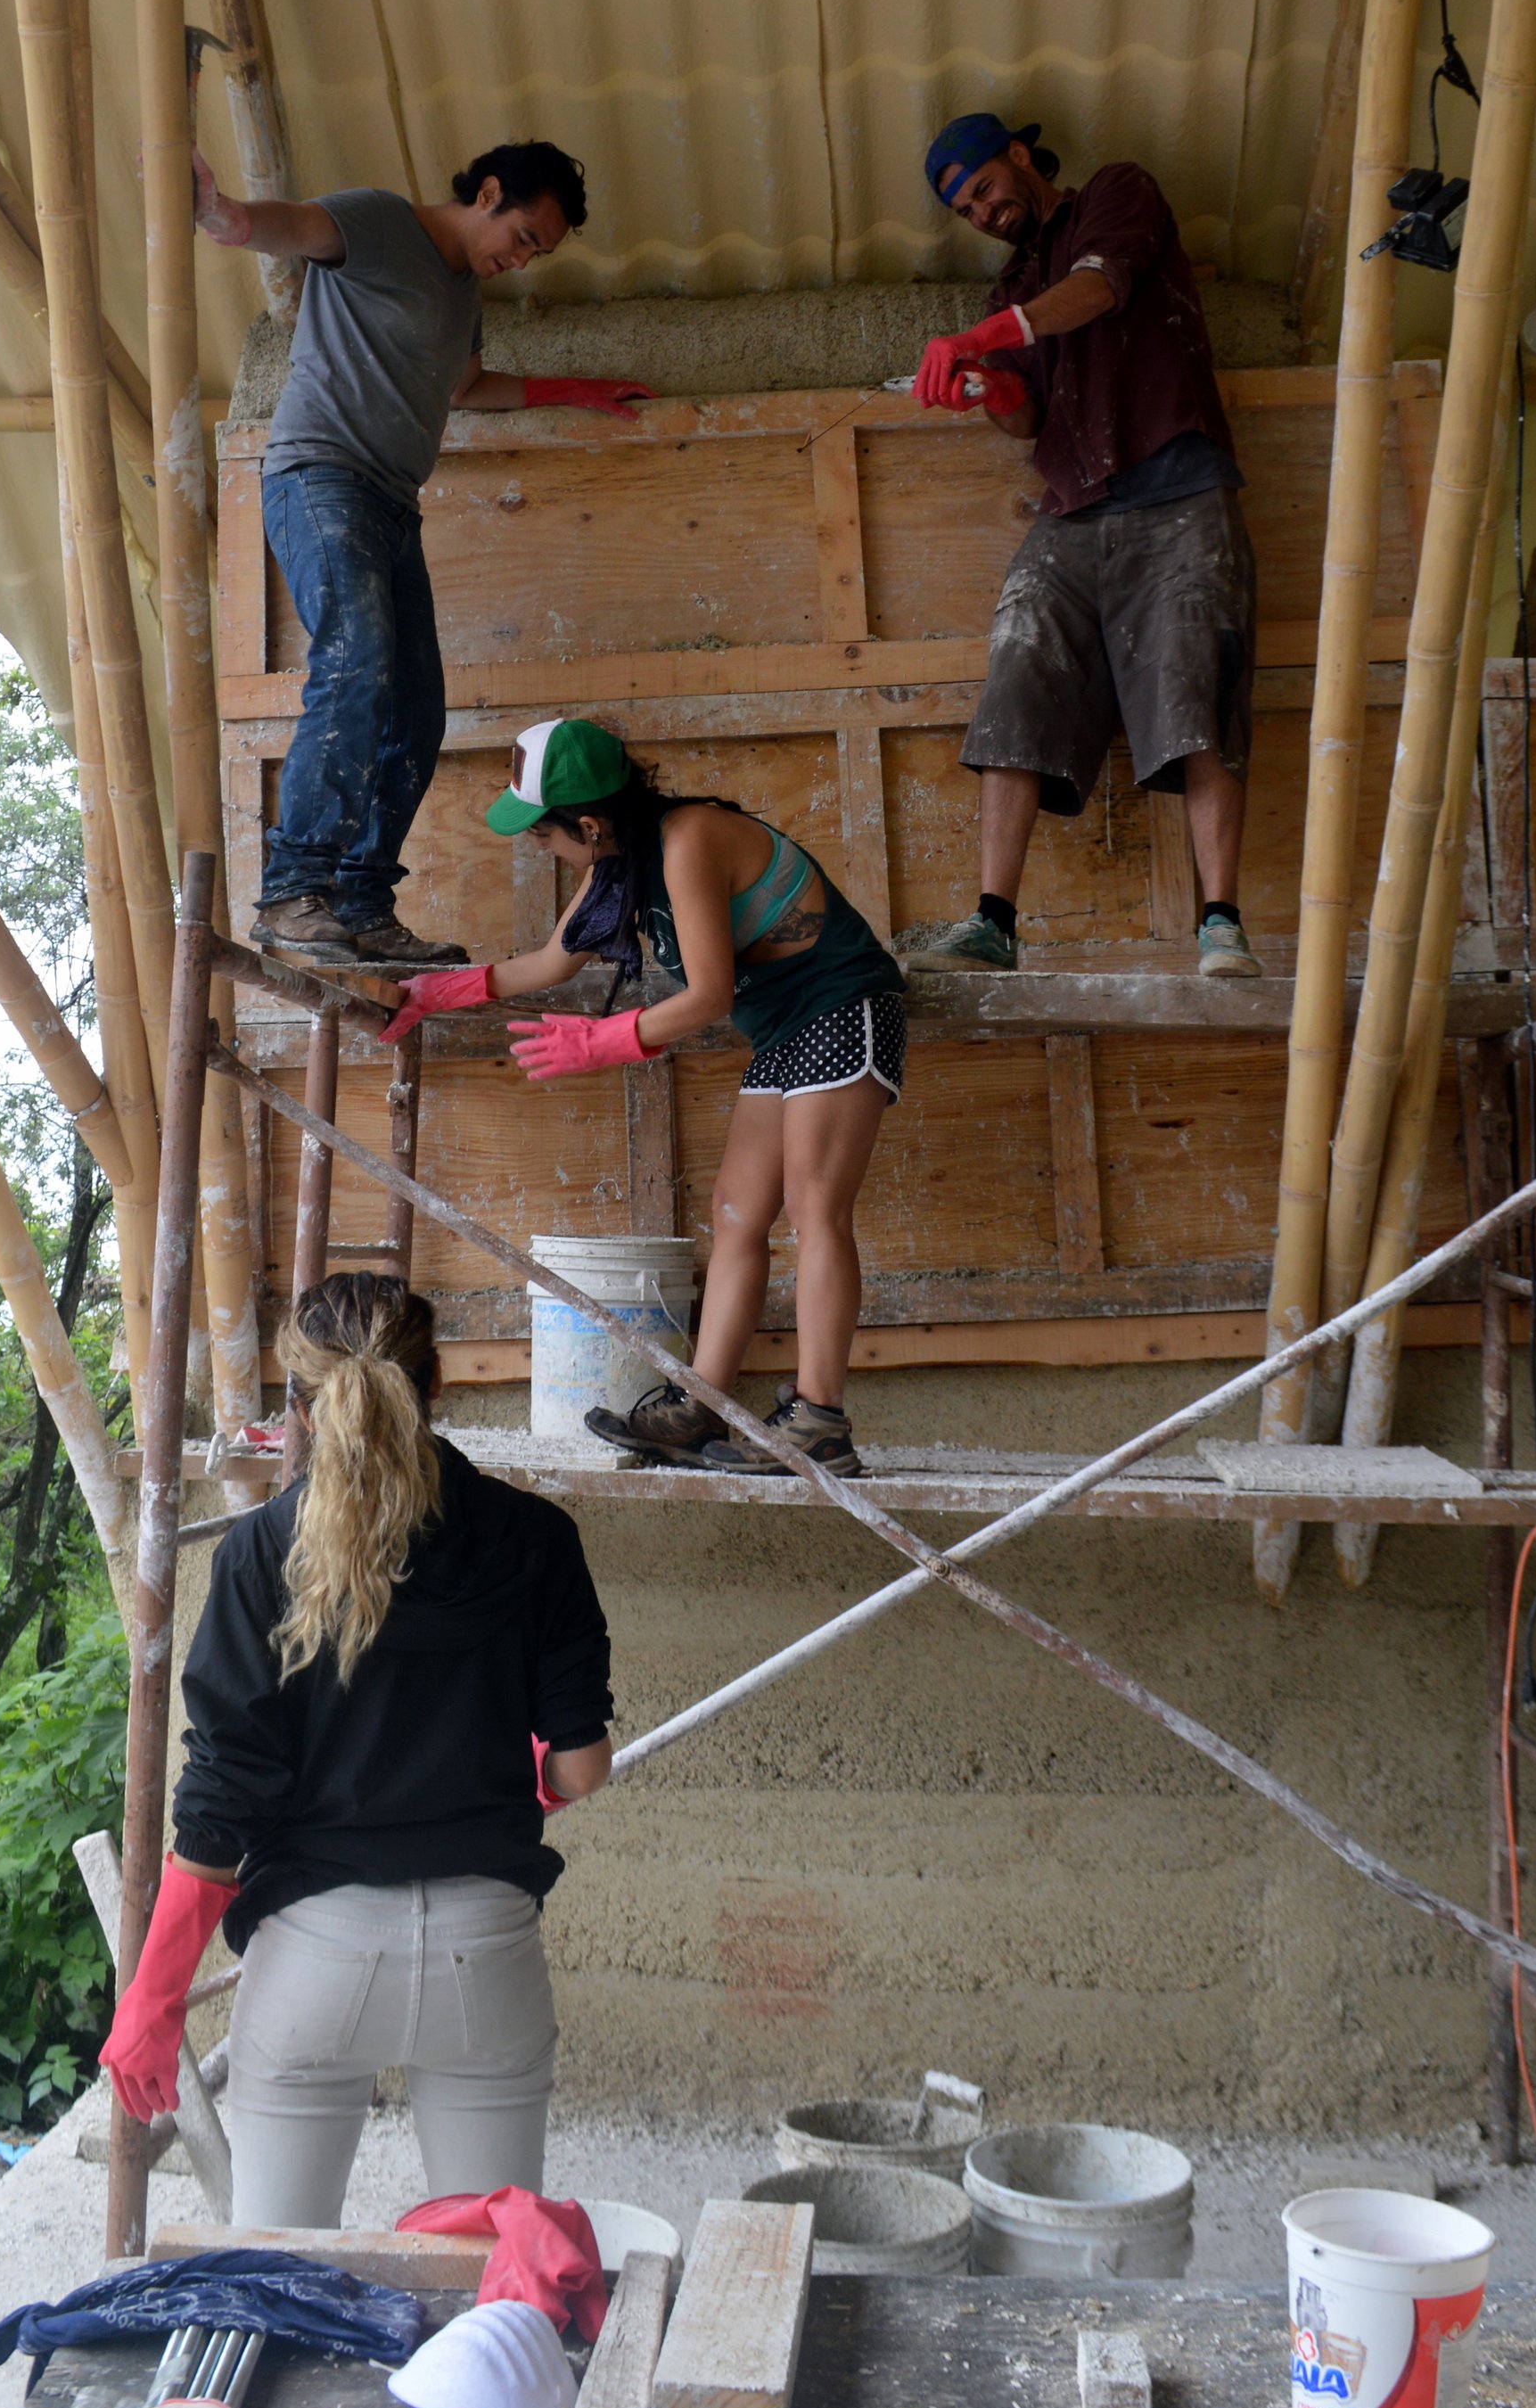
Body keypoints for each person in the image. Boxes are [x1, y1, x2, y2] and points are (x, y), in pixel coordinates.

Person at [98, 1271, 612, 2227]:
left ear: (298, 1404)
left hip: (313, 1964)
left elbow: (220, 1805)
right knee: (491, 2291)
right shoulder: (539, 1539)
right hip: (484, 1956)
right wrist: (512, 1771)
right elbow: (579, 1767)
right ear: (440, 1388)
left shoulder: (259, 1554)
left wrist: (151, 2002)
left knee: (276, 2281)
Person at [385, 718, 903, 1476]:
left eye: (542, 832)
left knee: (815, 1203)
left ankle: (819, 1422)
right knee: (736, 1210)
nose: (537, 845)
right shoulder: (621, 865)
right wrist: (436, 992)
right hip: (785, 1030)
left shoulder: (687, 840)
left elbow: (708, 994)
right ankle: (701, 1409)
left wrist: (599, 1042)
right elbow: (551, 963)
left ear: (588, 824)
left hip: (841, 1004)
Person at [194, 139, 651, 966]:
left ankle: (364, 905)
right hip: (320, 477)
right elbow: (285, 227)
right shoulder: (378, 223)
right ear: (487, 192)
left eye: (537, 254)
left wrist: (575, 389)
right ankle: (295, 891)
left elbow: (469, 388)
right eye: (523, 237)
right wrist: (221, 215)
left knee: (418, 712)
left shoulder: (463, 295)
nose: (520, 260)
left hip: (392, 504)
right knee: (357, 668)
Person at [900, 113, 1261, 982]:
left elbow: (1099, 287)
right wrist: (981, 391)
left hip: (1177, 483)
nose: (982, 213)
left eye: (984, 189)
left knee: (1193, 692)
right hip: (1073, 506)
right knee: (1016, 674)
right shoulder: (1009, 287)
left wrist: (981, 342)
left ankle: (1221, 924)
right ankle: (992, 922)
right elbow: (1023, 417)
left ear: (1021, 157)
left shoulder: (1115, 191)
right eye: (965, 210)